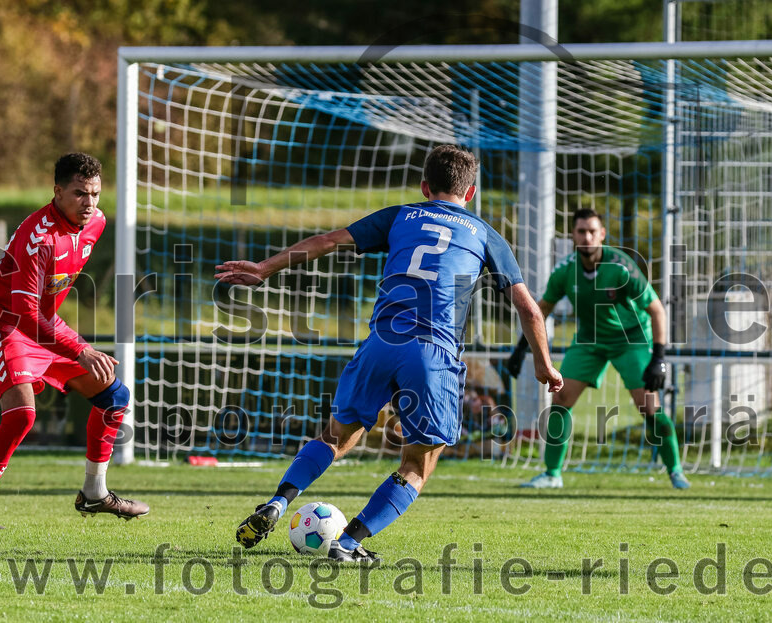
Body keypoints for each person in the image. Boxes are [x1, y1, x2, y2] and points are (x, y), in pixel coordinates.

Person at [217, 145, 563, 562]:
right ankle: (348, 543)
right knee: (418, 463)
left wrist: (264, 268)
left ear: (423, 187)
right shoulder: (485, 233)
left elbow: (328, 241)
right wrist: (543, 364)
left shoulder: (401, 215)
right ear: (469, 193)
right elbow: (528, 307)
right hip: (432, 353)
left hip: (381, 342)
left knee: (335, 436)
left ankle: (277, 501)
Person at [0, 153, 149, 529]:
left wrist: (72, 343)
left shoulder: (96, 224)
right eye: (80, 193)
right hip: (4, 324)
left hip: (44, 324)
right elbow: (26, 313)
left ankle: (95, 493)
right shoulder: (38, 237)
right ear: (57, 191)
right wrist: (80, 347)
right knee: (22, 416)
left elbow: (43, 308)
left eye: (95, 193)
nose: (89, 203)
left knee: (115, 396)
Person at [507, 209, 689, 489]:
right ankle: (552, 474)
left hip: (631, 340)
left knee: (648, 406)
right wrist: (521, 348)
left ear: (602, 234)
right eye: (581, 231)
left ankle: (675, 469)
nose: (587, 237)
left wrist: (659, 358)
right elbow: (540, 309)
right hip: (589, 341)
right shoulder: (565, 271)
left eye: (593, 231)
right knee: (561, 398)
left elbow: (657, 310)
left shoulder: (621, 267)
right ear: (573, 236)